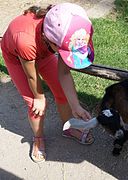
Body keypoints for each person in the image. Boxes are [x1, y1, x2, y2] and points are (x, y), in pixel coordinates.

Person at [0, 3, 95, 163]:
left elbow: (64, 73)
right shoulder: (26, 41)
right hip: (18, 57)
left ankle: (68, 127)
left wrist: (75, 106)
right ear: (49, 40)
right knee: (36, 105)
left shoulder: (65, 35)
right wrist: (39, 97)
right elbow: (31, 76)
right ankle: (38, 138)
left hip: (43, 52)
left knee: (63, 92)